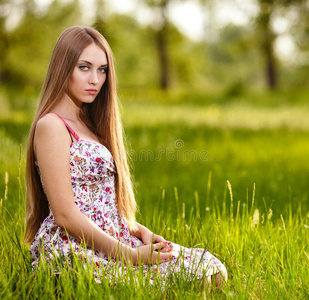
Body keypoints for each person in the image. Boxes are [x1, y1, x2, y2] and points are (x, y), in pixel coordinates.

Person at [24, 26, 227, 287]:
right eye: (84, 67)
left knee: (212, 269)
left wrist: (137, 230)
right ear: (63, 68)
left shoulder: (91, 124)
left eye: (102, 69)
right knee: (194, 282)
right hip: (73, 246)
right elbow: (65, 214)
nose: (95, 79)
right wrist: (130, 255)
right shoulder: (52, 125)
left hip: (113, 237)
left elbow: (100, 204)